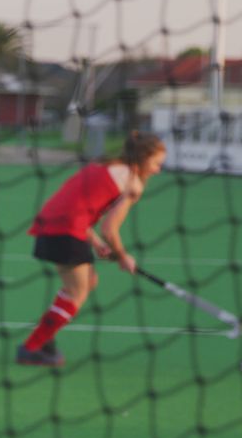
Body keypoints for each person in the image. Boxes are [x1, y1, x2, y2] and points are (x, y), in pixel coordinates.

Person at [17, 131, 167, 367]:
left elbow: (78, 206)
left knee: (86, 282)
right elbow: (110, 228)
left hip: (51, 224)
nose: (158, 169)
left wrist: (96, 243)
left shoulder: (102, 165)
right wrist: (122, 256)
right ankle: (31, 347)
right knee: (78, 292)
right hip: (66, 231)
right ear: (143, 157)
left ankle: (44, 338)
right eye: (157, 163)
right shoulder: (133, 184)